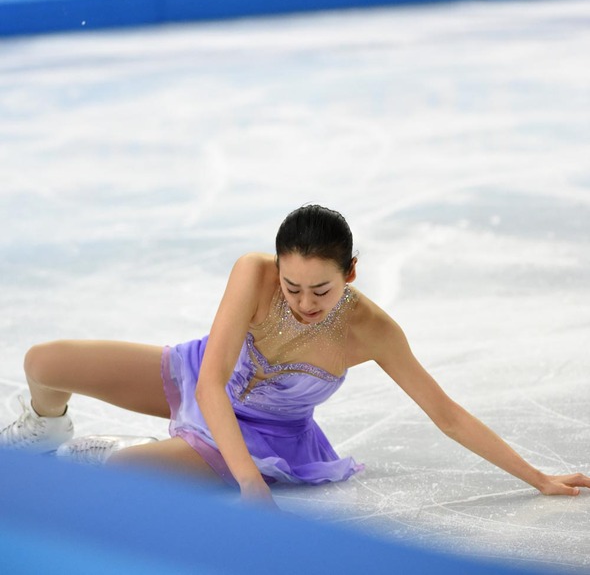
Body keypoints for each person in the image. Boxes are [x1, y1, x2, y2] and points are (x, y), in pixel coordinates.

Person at [1, 204, 588, 505]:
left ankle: (150, 453)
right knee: (44, 362)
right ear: (277, 268)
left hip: (263, 436)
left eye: (322, 289)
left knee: (123, 476)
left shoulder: (373, 331)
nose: (305, 302)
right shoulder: (252, 273)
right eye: (292, 286)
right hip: (197, 378)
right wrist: (249, 489)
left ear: (351, 272)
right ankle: (43, 433)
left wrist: (536, 477)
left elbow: (446, 413)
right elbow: (209, 382)